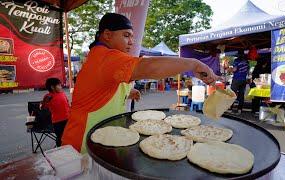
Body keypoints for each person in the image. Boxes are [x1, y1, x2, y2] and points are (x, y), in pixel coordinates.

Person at [61, 13, 219, 153]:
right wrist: (193, 64)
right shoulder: (106, 56)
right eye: (126, 35)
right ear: (107, 35)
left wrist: (127, 93)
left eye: (132, 36)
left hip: (98, 139)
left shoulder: (100, 57)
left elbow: (99, 89)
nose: (131, 41)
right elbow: (149, 67)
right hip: (81, 145)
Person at [42, 78, 70, 147]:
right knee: (60, 138)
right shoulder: (48, 96)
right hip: (57, 122)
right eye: (59, 85)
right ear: (52, 87)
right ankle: (60, 150)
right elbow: (43, 107)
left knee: (68, 136)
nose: (61, 87)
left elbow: (67, 105)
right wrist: (46, 101)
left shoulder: (62, 94)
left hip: (68, 119)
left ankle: (68, 149)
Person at [228, 50, 249, 115]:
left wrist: (229, 69)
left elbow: (235, 69)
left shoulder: (236, 60)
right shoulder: (247, 61)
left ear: (238, 55)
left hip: (236, 79)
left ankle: (231, 109)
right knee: (241, 95)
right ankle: (239, 110)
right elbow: (247, 71)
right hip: (244, 80)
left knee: (232, 94)